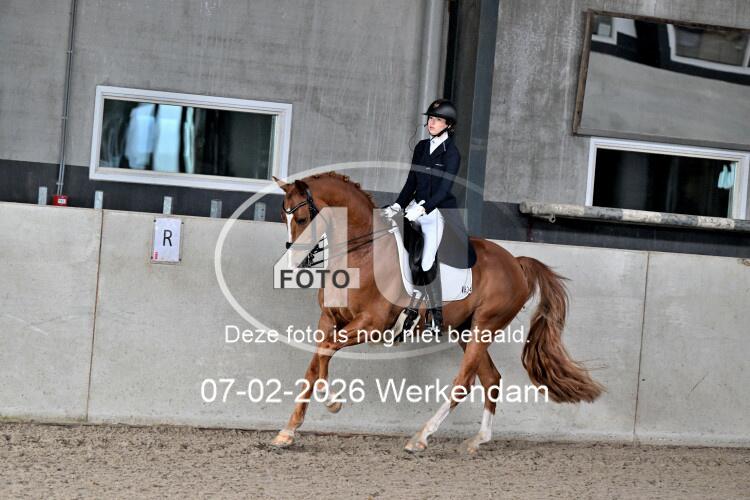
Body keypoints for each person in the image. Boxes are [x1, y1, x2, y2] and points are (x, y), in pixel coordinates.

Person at [383, 98, 468, 334]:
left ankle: (435, 316)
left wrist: (423, 208)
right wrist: (397, 206)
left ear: (448, 125)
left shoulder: (452, 154)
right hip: (412, 208)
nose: (432, 123)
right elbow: (411, 180)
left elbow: (444, 190)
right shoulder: (421, 147)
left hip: (435, 212)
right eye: (431, 118)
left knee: (427, 261)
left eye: (438, 120)